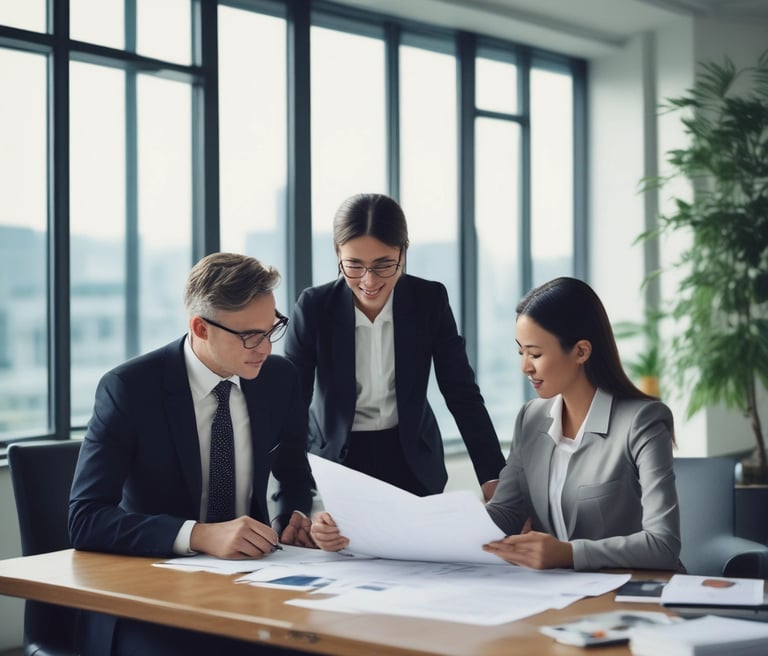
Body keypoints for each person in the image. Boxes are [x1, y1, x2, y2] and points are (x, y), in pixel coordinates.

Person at [312, 276, 683, 573]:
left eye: (535, 354)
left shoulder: (642, 421)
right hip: (560, 596)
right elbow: (503, 515)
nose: (525, 367)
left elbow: (663, 544)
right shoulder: (532, 419)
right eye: (520, 352)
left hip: (634, 595)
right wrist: (364, 530)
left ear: (581, 351)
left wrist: (567, 553)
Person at [69, 252, 316, 655]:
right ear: (200, 327)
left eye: (271, 329)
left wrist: (291, 520)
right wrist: (199, 535)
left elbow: (294, 475)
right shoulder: (130, 388)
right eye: (249, 336)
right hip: (151, 597)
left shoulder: (278, 378)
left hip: (252, 587)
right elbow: (86, 518)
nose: (265, 347)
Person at [284, 192, 505, 499]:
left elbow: (462, 393)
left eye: (384, 264)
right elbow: (292, 408)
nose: (369, 281)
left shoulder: (429, 301)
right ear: (338, 253)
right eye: (354, 265)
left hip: (412, 459)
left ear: (403, 251)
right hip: (339, 460)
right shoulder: (314, 307)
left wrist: (493, 476)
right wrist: (293, 498)